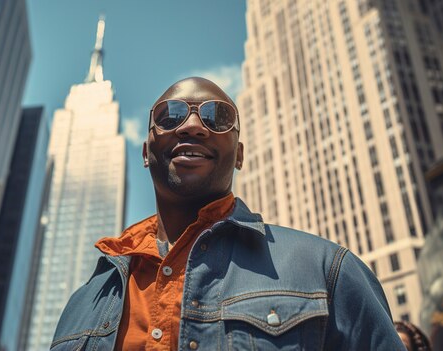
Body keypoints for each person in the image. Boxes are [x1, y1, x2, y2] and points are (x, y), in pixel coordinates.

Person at [51, 77, 405, 350]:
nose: (192, 126)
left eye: (217, 117)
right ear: (146, 152)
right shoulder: (84, 303)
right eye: (170, 115)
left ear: (238, 154)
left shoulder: (328, 270)